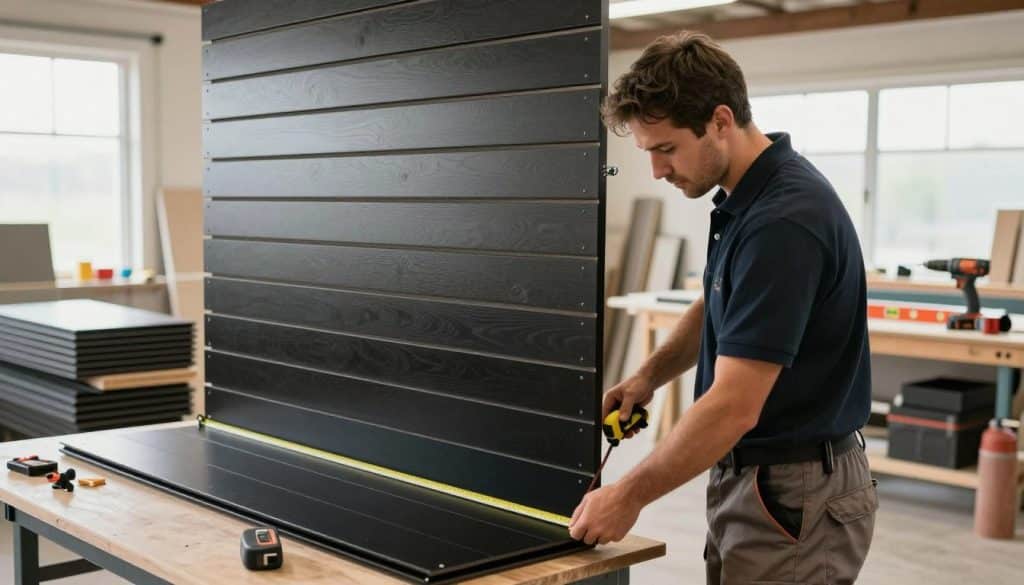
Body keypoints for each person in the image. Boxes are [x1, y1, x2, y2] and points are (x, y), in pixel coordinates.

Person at [568, 31, 877, 585]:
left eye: (666, 149)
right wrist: (648, 376)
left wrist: (628, 495)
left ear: (719, 120)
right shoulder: (747, 199)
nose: (658, 171)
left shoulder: (784, 221)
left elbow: (734, 406)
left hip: (796, 488)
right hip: (760, 478)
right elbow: (717, 301)